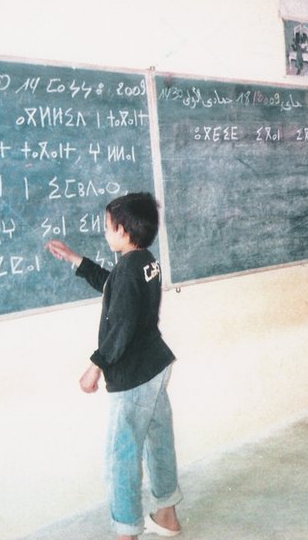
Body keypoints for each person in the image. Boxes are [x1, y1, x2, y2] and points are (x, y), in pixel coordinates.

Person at [46, 192, 182, 540]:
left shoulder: (127, 271)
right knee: (159, 440)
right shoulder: (144, 261)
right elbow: (116, 288)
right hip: (155, 365)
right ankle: (166, 514)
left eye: (107, 227)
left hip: (133, 374)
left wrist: (97, 365)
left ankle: (126, 532)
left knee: (121, 457)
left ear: (122, 231)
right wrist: (78, 261)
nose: (105, 232)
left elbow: (119, 324)